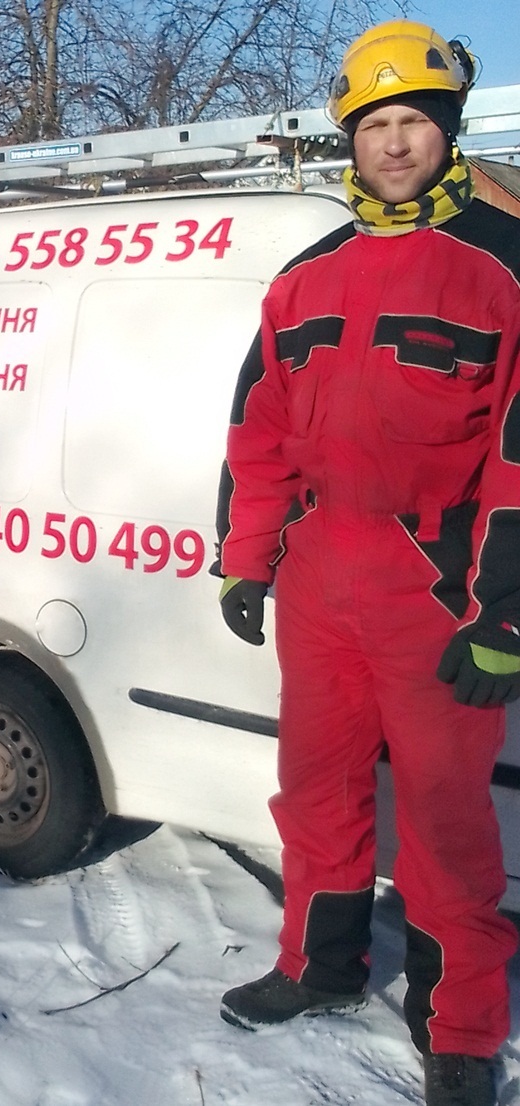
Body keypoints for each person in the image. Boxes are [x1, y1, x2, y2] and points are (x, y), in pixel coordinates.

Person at [215, 20, 520, 1106]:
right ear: (351, 137)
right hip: (316, 585)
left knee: (445, 824)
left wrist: (507, 613)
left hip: (438, 593)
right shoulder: (306, 276)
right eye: (375, 124)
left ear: (448, 131)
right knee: (319, 795)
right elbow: (257, 429)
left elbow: (519, 460)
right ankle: (319, 965)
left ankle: (463, 1028)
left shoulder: (504, 262)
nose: (395, 144)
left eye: (414, 123)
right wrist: (247, 562)